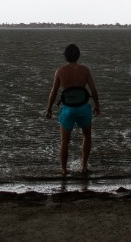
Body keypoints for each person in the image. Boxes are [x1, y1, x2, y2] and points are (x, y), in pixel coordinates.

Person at [45, 43, 100, 177]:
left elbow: (53, 92)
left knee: (64, 141)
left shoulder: (60, 71)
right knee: (87, 136)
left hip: (68, 110)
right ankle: (84, 166)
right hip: (83, 109)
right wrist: (97, 106)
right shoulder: (85, 70)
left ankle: (64, 169)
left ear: (66, 56)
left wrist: (49, 108)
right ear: (78, 55)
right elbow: (93, 90)